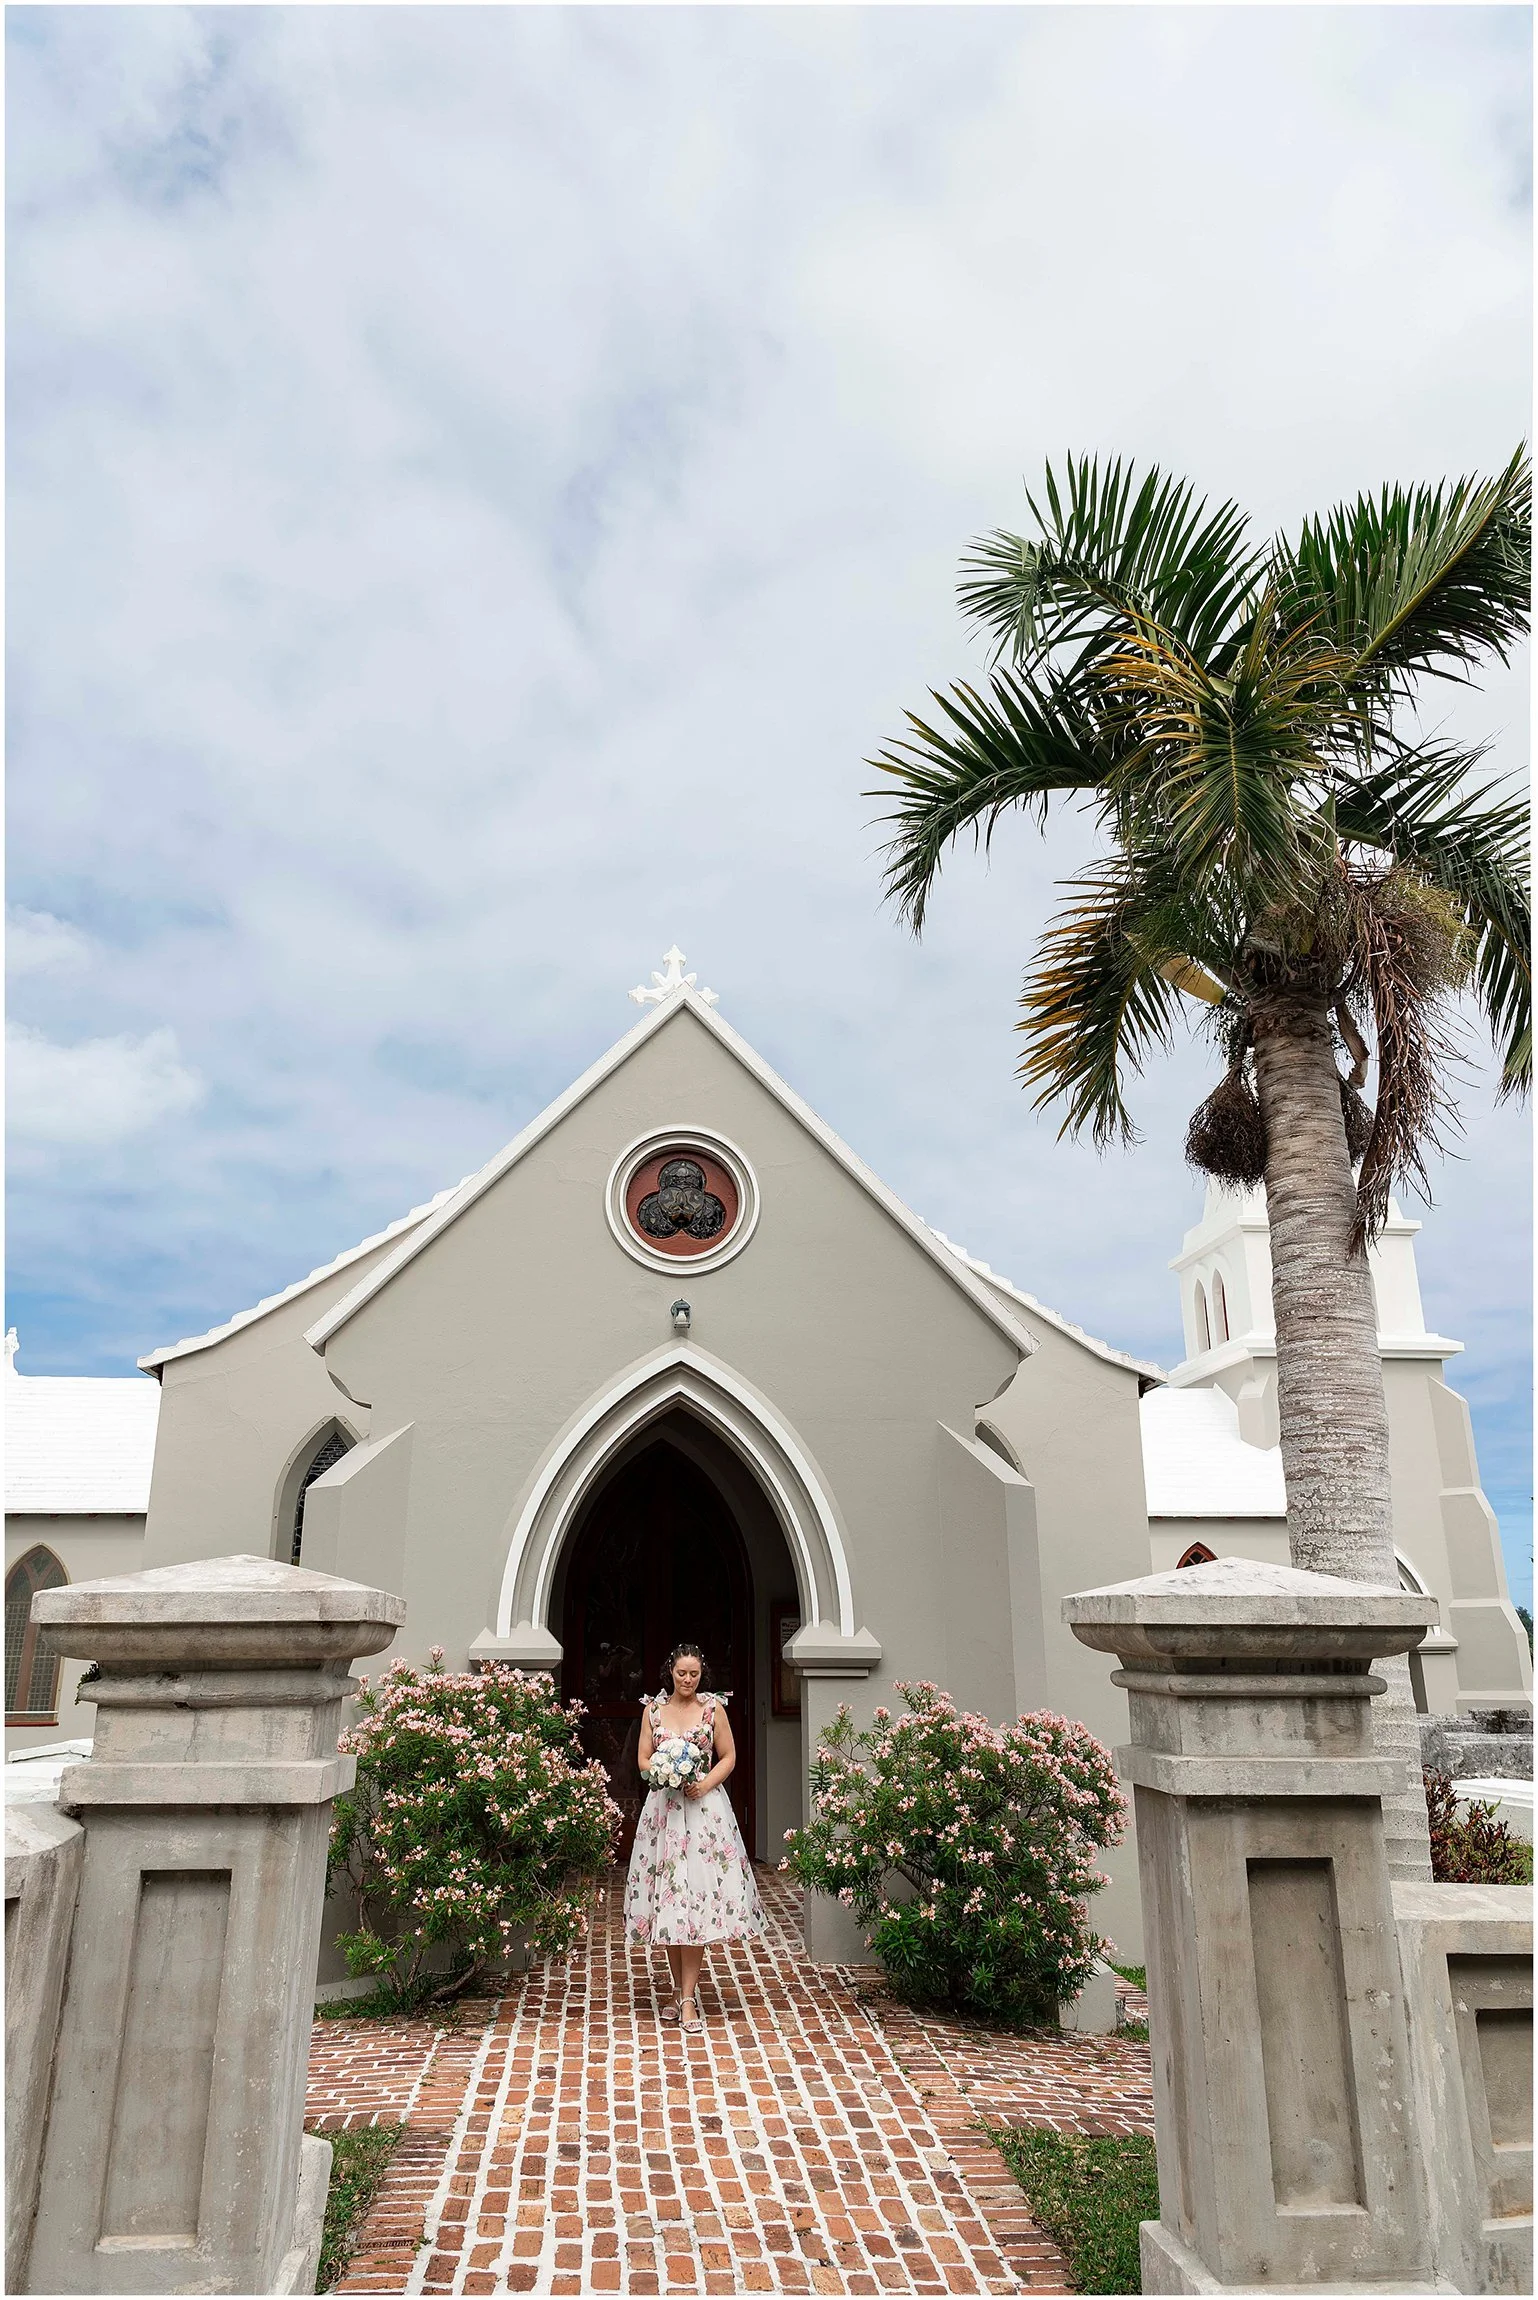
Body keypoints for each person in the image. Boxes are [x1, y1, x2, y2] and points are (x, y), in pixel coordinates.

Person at [624, 1639, 766, 2031]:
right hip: (664, 1814)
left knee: (696, 1903)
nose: (688, 1679)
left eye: (695, 1673)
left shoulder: (712, 1709)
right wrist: (661, 1772)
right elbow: (641, 1759)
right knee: (669, 1902)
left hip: (703, 1815)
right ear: (670, 1672)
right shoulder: (653, 1711)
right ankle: (675, 1989)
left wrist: (703, 1784)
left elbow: (730, 1756)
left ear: (703, 1674)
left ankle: (688, 1999)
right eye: (682, 1672)